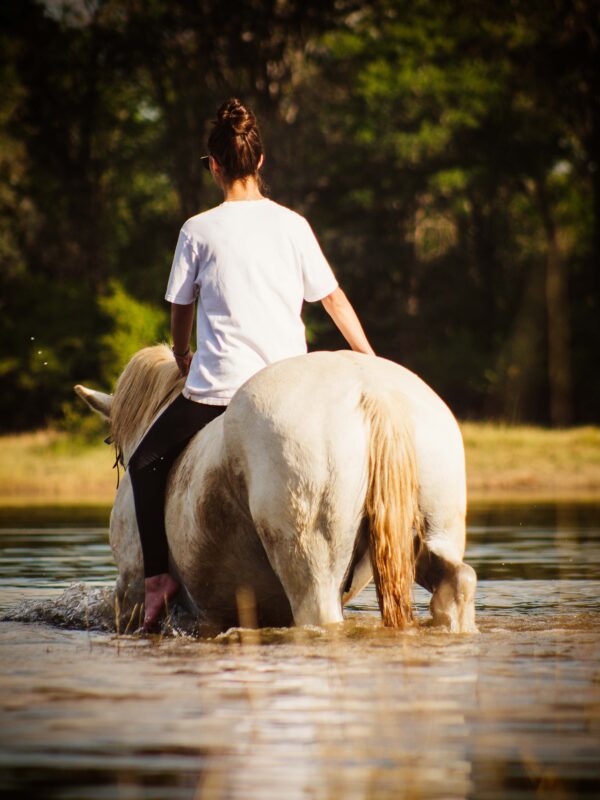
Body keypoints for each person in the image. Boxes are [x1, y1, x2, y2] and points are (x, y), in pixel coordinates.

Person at [129, 98, 374, 630]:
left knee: (144, 462)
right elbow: (332, 300)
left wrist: (179, 352)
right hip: (293, 385)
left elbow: (181, 308)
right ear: (260, 162)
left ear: (214, 165)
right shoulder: (294, 224)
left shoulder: (197, 229)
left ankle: (157, 580)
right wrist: (369, 360)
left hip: (220, 390)